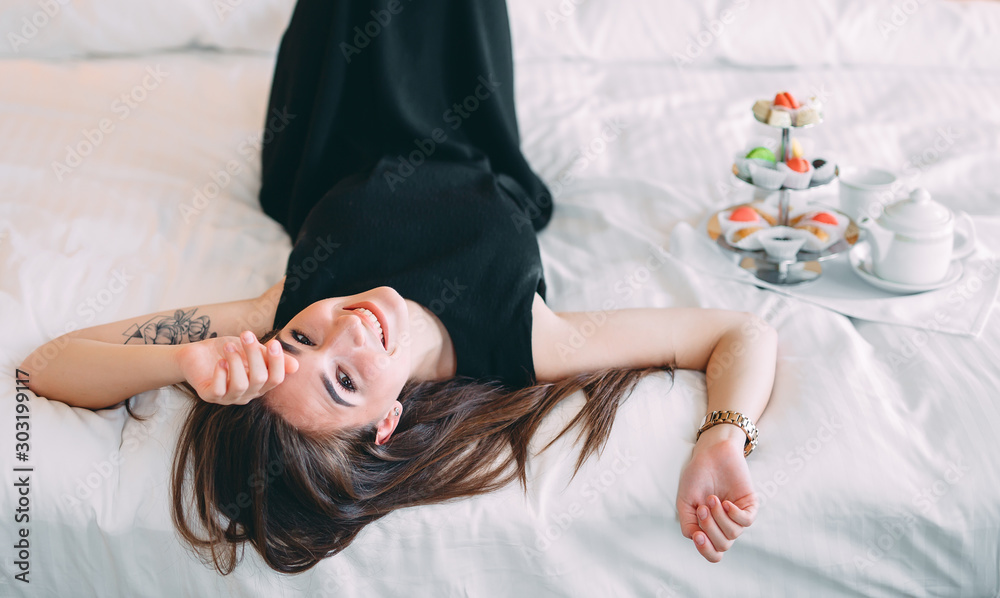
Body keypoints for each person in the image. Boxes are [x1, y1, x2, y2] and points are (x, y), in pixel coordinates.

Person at [19, 0, 777, 576]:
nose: (343, 328)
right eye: (345, 380)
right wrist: (722, 435)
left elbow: (46, 366)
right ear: (388, 423)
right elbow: (740, 333)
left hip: (328, 110)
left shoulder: (276, 312)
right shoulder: (520, 340)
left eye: (301, 341)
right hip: (464, 96)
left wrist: (185, 358)